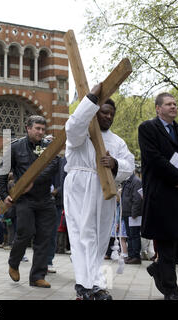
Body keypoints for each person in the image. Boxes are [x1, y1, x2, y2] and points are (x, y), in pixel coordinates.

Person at [63, 84, 135, 300]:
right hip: (80, 186)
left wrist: (114, 164)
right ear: (95, 111)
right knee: (83, 235)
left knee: (101, 237)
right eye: (104, 112)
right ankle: (85, 284)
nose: (109, 116)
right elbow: (72, 126)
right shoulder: (81, 134)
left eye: (111, 114)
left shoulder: (118, 141)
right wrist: (91, 98)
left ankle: (94, 283)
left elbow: (129, 165)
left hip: (105, 189)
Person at [0, 115, 59, 289]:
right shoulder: (15, 148)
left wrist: (33, 180)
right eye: (37, 128)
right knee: (25, 232)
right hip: (25, 200)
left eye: (42, 129)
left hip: (45, 199)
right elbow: (2, 174)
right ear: (28, 128)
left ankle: (37, 276)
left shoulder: (49, 147)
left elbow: (53, 166)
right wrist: (4, 196)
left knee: (44, 237)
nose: (40, 132)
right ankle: (14, 262)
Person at [138, 92, 178, 300]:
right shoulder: (147, 128)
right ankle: (171, 291)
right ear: (158, 108)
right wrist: (177, 178)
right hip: (161, 194)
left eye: (175, 104)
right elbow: (154, 158)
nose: (174, 107)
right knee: (166, 244)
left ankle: (157, 269)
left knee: (175, 244)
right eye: (169, 104)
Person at [47, 155, 67, 273]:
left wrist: (57, 191)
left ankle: (48, 261)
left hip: (56, 202)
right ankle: (41, 260)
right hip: (40, 199)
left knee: (52, 233)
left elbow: (66, 181)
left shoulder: (62, 162)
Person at [121, 172, 143, 264]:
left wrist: (134, 214)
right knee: (130, 236)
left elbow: (137, 199)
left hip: (133, 214)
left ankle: (136, 256)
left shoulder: (136, 181)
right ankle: (131, 255)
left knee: (134, 235)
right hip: (127, 213)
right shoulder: (127, 181)